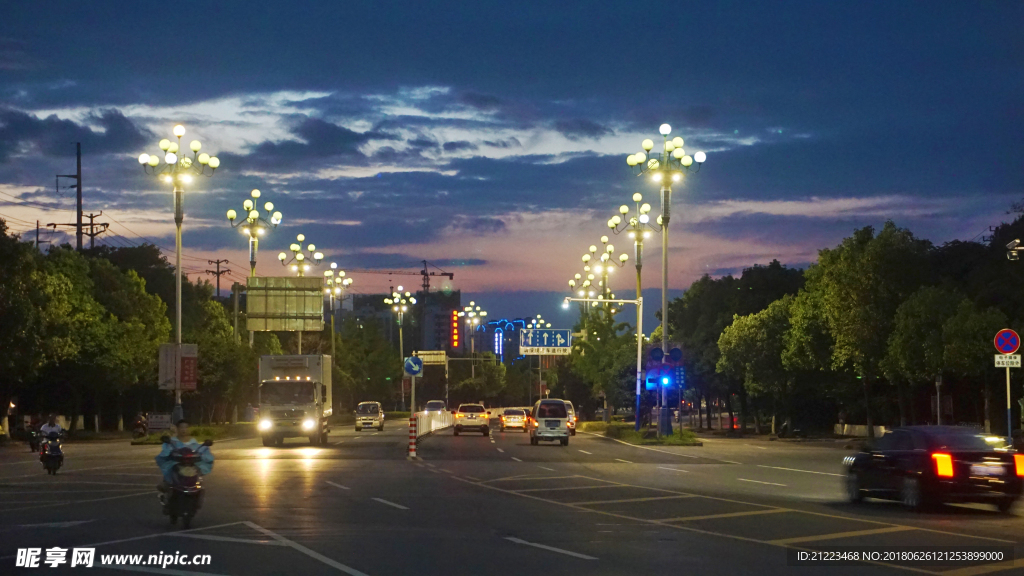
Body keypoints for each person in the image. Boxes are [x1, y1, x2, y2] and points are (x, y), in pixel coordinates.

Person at [155, 419, 214, 491]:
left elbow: (199, 449)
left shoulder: (193, 442)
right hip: (176, 462)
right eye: (181, 427)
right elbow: (166, 451)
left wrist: (205, 447)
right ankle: (166, 483)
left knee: (198, 473)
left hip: (190, 463)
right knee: (169, 470)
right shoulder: (172, 441)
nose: (184, 430)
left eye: (186, 427)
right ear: (177, 429)